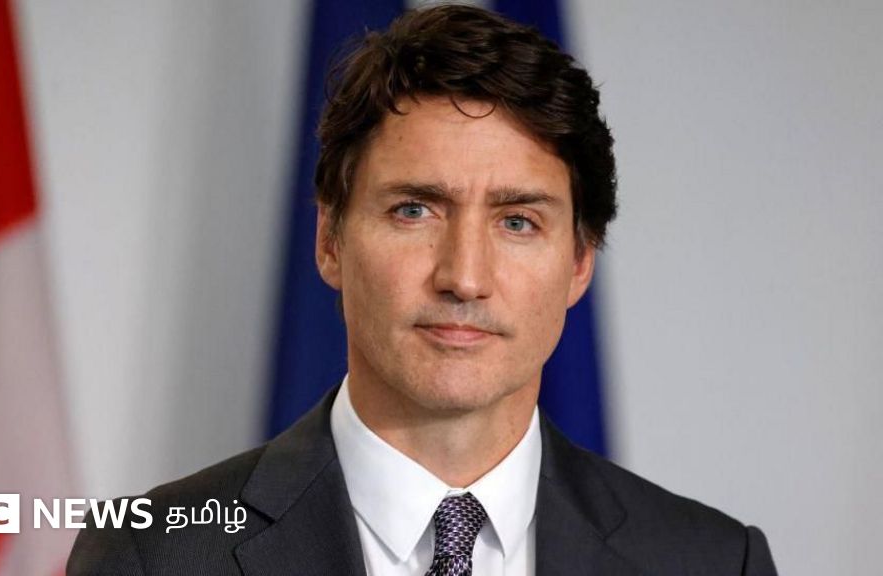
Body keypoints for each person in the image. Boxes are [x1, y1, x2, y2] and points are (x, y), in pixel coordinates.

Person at [68, 5, 777, 575]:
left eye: (518, 221)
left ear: (579, 262)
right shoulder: (153, 557)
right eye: (415, 210)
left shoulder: (713, 563)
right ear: (330, 240)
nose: (463, 276)